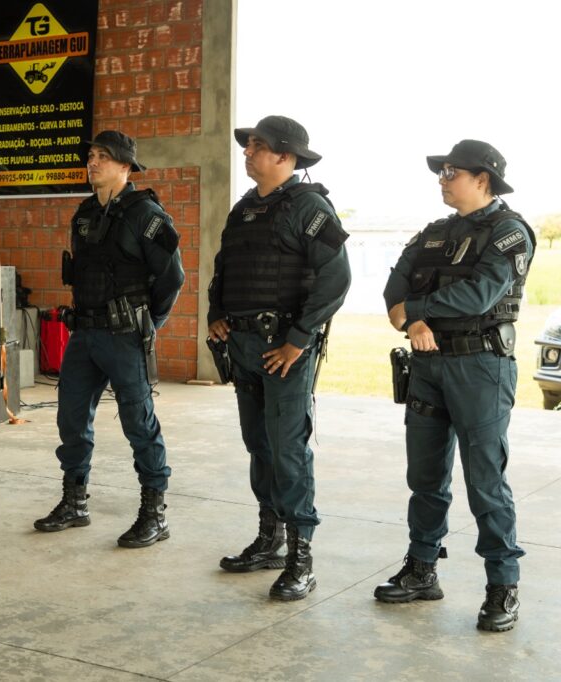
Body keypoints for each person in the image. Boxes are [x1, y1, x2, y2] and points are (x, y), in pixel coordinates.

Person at [377, 140, 535, 632]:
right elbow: (394, 290)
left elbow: (480, 293)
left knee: (485, 481)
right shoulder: (433, 233)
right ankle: (422, 569)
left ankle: (502, 586)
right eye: (441, 171)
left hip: (480, 368)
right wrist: (411, 326)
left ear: (482, 179)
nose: (442, 179)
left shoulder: (509, 232)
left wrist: (417, 311)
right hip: (427, 365)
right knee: (425, 477)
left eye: (451, 172)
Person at [207, 115, 350, 600]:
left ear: (285, 157)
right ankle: (269, 540)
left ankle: (300, 557)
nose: (247, 152)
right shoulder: (245, 207)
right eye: (247, 145)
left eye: (258, 146)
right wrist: (217, 312)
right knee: (259, 445)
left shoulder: (308, 207)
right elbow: (224, 266)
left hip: (283, 350)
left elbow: (336, 278)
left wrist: (300, 337)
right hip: (244, 346)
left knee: (288, 449)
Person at [33, 130, 184, 548]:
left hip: (124, 337)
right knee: (71, 419)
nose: (93, 162)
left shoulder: (147, 215)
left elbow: (172, 277)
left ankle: (154, 513)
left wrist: (148, 324)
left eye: (103, 157)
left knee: (139, 423)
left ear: (125, 166)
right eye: (92, 155)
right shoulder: (83, 214)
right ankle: (74, 502)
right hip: (84, 335)